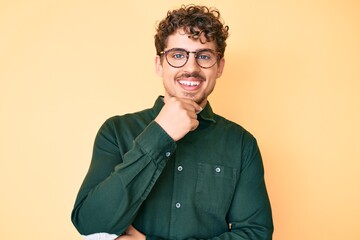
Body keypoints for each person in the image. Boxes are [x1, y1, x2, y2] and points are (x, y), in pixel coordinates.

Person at [71, 4, 273, 240]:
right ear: (159, 64)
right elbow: (90, 224)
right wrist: (160, 135)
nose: (191, 67)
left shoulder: (241, 144)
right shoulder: (115, 131)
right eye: (178, 55)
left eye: (204, 56)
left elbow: (256, 234)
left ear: (219, 67)